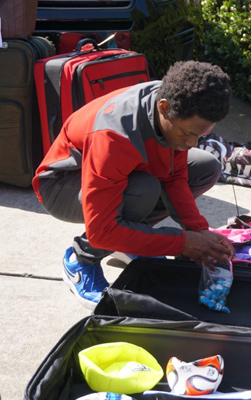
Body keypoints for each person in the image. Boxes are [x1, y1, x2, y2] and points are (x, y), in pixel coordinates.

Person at [33, 61, 235, 310]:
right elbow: (102, 231)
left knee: (206, 167)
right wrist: (181, 242)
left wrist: (200, 230)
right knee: (143, 190)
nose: (192, 143)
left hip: (122, 171)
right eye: (187, 134)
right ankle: (80, 259)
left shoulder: (179, 99)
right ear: (164, 108)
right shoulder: (114, 136)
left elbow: (173, 177)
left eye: (200, 135)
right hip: (62, 185)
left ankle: (130, 240)